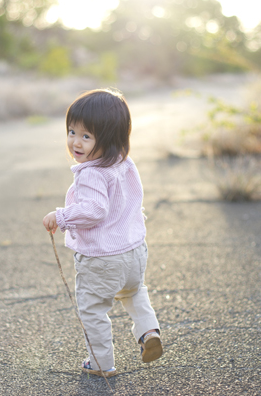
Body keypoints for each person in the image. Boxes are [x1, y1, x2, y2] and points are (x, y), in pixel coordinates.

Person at [43, 89, 162, 377]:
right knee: (134, 293)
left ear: (109, 138)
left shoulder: (91, 173)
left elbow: (95, 209)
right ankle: (148, 332)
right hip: (134, 252)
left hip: (101, 259)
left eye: (87, 136)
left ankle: (100, 363)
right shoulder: (123, 161)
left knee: (93, 309)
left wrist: (61, 216)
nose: (75, 142)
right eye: (72, 131)